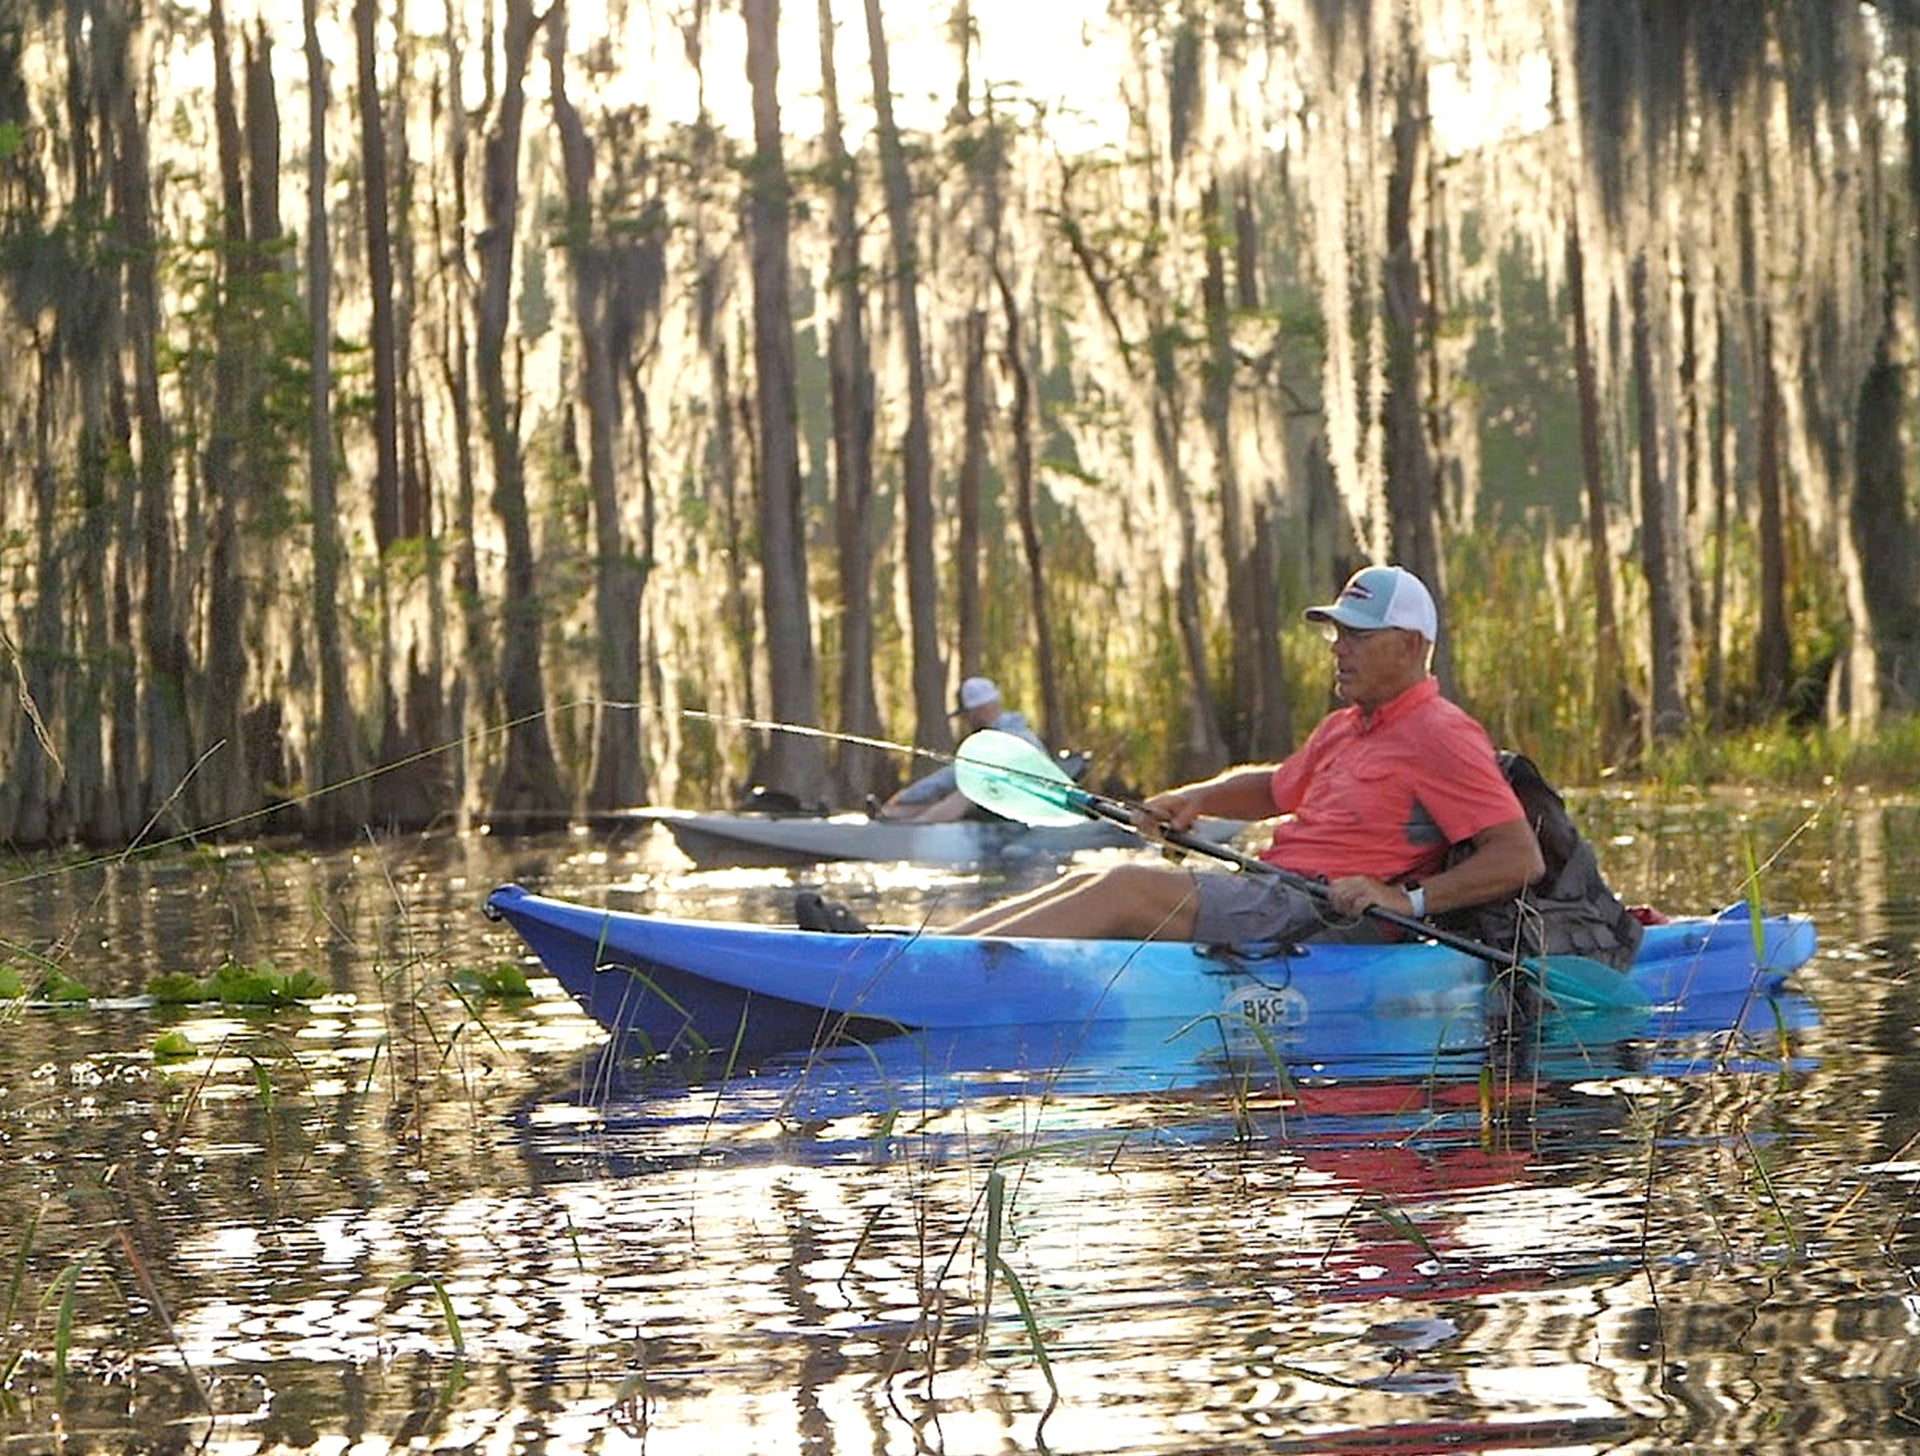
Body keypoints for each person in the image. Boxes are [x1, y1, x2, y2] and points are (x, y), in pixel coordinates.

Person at [946, 565, 1546, 941]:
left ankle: (919, 972)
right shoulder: (1347, 726)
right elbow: (1276, 789)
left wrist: (1405, 899)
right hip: (1277, 893)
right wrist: (1196, 799)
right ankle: (920, 954)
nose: (1340, 649)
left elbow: (1519, 857)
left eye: (1359, 635)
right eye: (1338, 634)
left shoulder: (1442, 733)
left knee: (1124, 888)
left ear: (1412, 646)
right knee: (1090, 880)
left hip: (1327, 915)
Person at [875, 677, 1048, 823]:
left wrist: (906, 796)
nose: (966, 721)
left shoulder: (1002, 740)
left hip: (1026, 808)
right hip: (1006, 805)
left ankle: (915, 827)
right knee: (954, 795)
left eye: (968, 715)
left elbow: (953, 776)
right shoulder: (1012, 733)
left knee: (968, 793)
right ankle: (889, 815)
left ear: (981, 712)